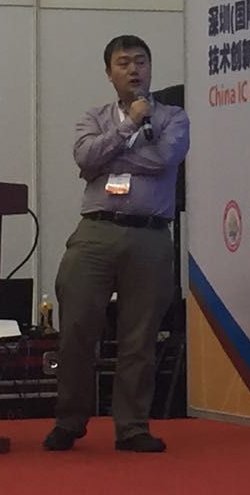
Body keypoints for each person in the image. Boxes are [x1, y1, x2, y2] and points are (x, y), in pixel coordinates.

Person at [44, 35, 189, 454]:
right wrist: (128, 127)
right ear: (109, 73)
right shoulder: (94, 117)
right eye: (123, 63)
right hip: (96, 231)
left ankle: (132, 426)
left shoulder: (174, 117)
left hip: (150, 233)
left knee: (139, 337)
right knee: (76, 329)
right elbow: (85, 158)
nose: (134, 70)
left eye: (141, 62)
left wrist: (110, 157)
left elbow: (165, 159)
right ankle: (69, 420)